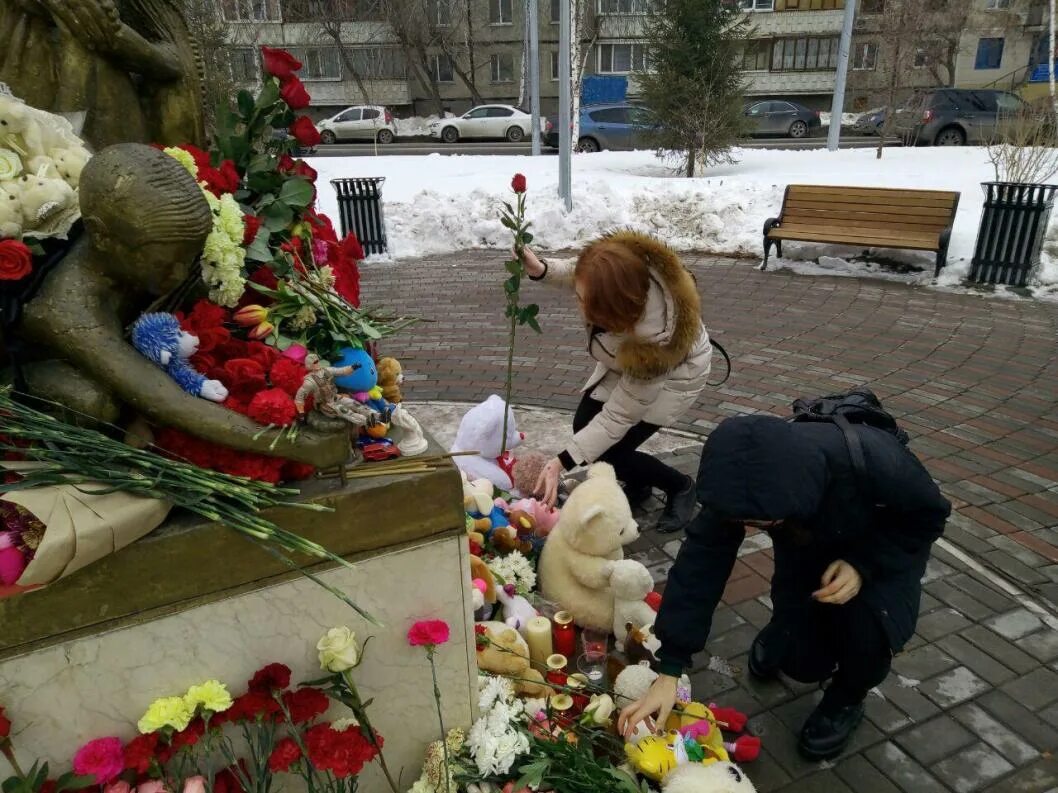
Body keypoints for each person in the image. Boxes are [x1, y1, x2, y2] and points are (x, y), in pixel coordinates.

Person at [617, 414, 951, 759]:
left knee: (869, 638)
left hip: (884, 552)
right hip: (807, 539)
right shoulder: (740, 481)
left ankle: (845, 701)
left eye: (759, 524)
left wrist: (863, 565)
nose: (748, 530)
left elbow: (929, 515)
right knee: (801, 655)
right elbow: (699, 567)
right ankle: (785, 632)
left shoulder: (876, 460)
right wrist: (669, 669)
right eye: (743, 522)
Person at [519, 230, 713, 534]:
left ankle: (680, 485)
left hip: (673, 377)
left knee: (611, 449)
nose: (579, 304)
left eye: (584, 301)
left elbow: (619, 416)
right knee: (585, 424)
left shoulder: (652, 346)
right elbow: (582, 273)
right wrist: (542, 270)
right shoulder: (622, 270)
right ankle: (639, 483)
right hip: (626, 361)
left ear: (613, 310)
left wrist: (561, 462)